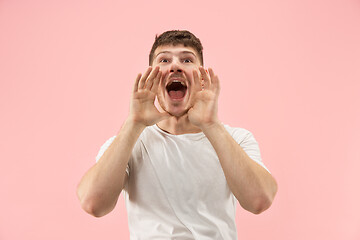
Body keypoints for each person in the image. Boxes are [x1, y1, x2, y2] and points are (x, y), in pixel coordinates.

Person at [76, 30, 278, 239]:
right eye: (164, 59)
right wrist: (133, 124)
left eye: (187, 59)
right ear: (151, 77)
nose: (175, 66)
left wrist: (211, 124)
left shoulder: (237, 139)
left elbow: (259, 201)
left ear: (201, 77)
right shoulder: (129, 142)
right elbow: (93, 203)